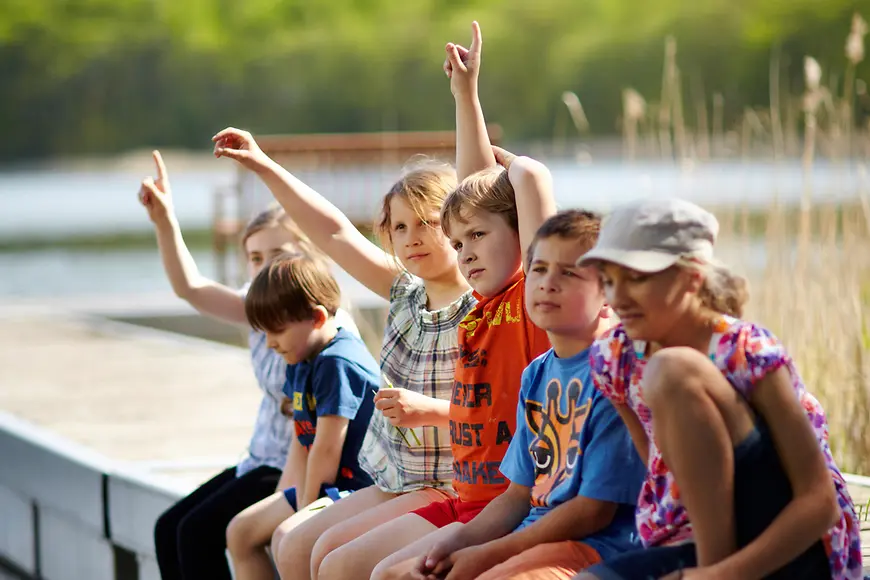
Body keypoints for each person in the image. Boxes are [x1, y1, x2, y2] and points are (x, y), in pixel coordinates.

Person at [308, 21, 560, 580]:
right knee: (334, 564)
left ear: (521, 240)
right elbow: (479, 201)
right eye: (458, 240)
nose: (463, 251)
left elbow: (509, 193)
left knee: (375, 572)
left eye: (477, 238)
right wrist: (464, 97)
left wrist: (516, 166)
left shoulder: (531, 303)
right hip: (472, 501)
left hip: (505, 504)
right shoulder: (485, 302)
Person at [212, 122, 476, 579]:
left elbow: (479, 188)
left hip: (448, 484)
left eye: (427, 223)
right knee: (292, 541)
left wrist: (464, 96)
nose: (412, 236)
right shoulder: (403, 294)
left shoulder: (482, 304)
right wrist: (263, 164)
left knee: (337, 562)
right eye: (399, 226)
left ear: (457, 226)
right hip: (395, 478)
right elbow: (332, 231)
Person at [575, 198, 863, 579]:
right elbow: (662, 474)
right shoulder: (614, 357)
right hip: (696, 541)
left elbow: (819, 501)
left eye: (638, 278)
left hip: (792, 541)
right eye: (609, 281)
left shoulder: (745, 350)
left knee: (673, 370)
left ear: (692, 276)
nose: (619, 298)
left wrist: (719, 575)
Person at [140, 151, 358, 580]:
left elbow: (323, 436)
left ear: (307, 255)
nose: (263, 266)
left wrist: (294, 504)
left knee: (196, 533)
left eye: (276, 253)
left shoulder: (321, 329)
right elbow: (191, 287)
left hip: (289, 466)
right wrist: (165, 220)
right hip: (259, 459)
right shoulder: (259, 309)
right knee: (169, 528)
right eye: (255, 258)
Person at [401, 210, 646, 580]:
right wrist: (459, 541)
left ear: (608, 292)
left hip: (597, 546)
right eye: (539, 269)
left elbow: (594, 512)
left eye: (569, 272)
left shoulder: (613, 374)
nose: (548, 283)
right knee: (401, 574)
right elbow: (517, 496)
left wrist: (488, 554)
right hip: (532, 533)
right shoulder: (537, 373)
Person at [225, 254, 380, 579]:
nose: (269, 344)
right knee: (241, 532)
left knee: (292, 538)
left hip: (360, 489)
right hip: (327, 486)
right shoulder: (301, 356)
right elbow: (303, 441)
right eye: (263, 333)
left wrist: (303, 516)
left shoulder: (337, 363)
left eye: (277, 331)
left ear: (317, 317)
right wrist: (282, 500)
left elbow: (326, 448)